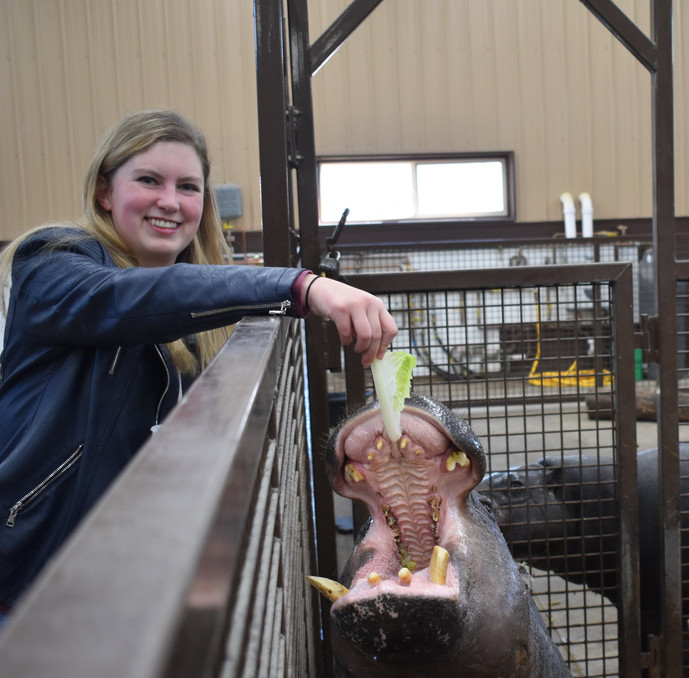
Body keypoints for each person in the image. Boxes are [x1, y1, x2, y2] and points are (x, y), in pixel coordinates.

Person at [0, 109, 397, 621]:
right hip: (26, 569)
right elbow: (127, 301)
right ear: (104, 193)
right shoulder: (52, 261)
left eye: (187, 187)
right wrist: (303, 285)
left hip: (125, 575)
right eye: (148, 180)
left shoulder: (199, 312)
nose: (170, 201)